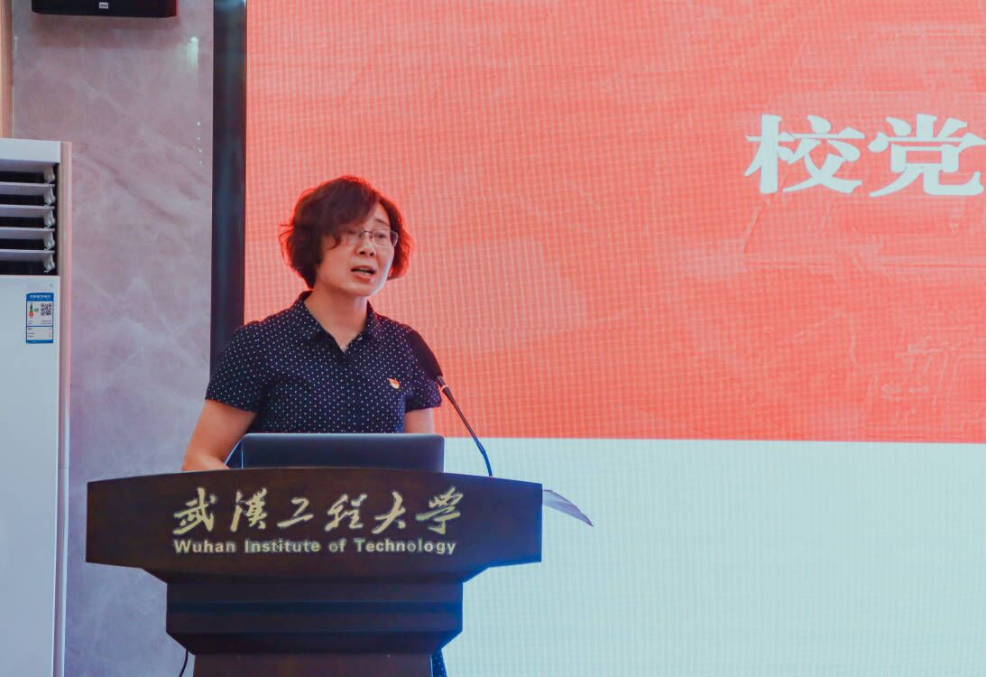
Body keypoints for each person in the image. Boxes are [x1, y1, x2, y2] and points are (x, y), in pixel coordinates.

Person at [180, 175, 447, 676]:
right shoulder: (260, 345)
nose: (369, 248)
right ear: (312, 245)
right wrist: (263, 521)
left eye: (381, 235)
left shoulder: (406, 348)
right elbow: (200, 459)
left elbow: (424, 474)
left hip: (385, 590)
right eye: (352, 232)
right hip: (277, 581)